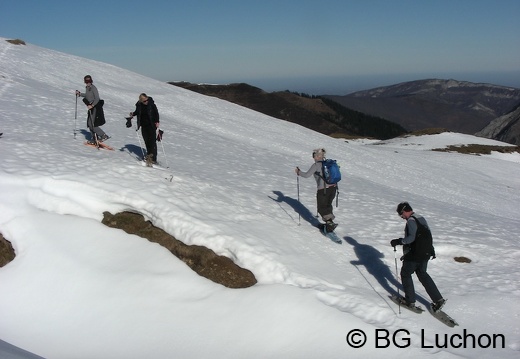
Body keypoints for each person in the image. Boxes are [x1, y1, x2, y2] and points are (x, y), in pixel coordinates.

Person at [390, 202, 446, 312]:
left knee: (405, 274)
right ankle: (438, 299)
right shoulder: (421, 218)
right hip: (425, 253)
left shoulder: (411, 221)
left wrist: (399, 241)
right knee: (422, 274)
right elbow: (427, 234)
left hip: (415, 254)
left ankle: (410, 301)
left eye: (401, 214)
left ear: (404, 211)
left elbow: (411, 238)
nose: (401, 217)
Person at [295, 148, 338, 232]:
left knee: (322, 207)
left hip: (323, 189)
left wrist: (298, 172)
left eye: (314, 156)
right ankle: (330, 223)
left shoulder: (316, 165)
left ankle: (329, 224)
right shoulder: (329, 163)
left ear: (317, 156)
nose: (313, 158)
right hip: (333, 188)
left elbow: (307, 175)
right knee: (328, 205)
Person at [76, 75, 109, 144]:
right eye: (86, 81)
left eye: (89, 81)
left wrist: (92, 105)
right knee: (89, 123)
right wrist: (80, 94)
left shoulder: (93, 88)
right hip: (91, 107)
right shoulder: (87, 88)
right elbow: (87, 95)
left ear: (91, 81)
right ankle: (94, 138)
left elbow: (97, 98)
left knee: (92, 124)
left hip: (96, 107)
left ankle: (103, 135)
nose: (88, 83)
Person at [128, 93, 160, 163]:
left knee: (152, 142)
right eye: (144, 101)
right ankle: (148, 156)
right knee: (146, 141)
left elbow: (156, 113)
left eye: (147, 100)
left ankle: (153, 159)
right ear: (141, 101)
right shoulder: (139, 106)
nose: (146, 102)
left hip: (151, 125)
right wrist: (133, 113)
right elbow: (137, 112)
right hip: (143, 125)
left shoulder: (152, 104)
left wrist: (157, 121)